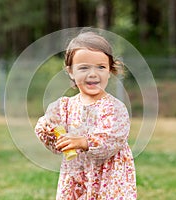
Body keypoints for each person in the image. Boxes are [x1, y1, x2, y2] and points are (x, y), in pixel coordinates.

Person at [35, 31, 137, 199]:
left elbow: (113, 138)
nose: (92, 74)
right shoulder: (64, 107)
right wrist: (47, 128)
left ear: (110, 70)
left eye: (101, 67)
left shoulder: (114, 108)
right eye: (83, 67)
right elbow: (55, 144)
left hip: (109, 179)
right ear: (70, 71)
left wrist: (85, 142)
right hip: (76, 180)